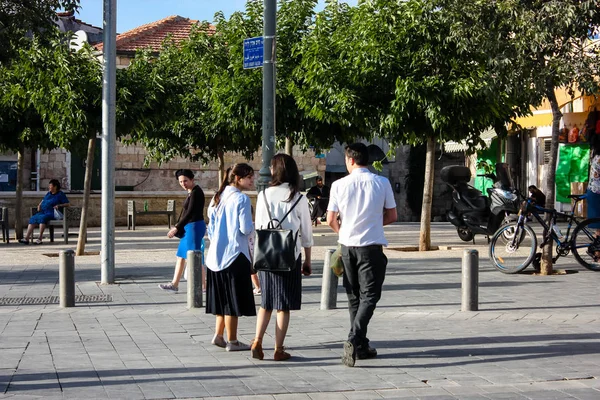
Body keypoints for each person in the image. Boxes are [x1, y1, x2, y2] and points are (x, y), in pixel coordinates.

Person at [326, 143, 397, 367]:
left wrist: (344, 232)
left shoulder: (338, 185)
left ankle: (360, 345)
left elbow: (330, 219)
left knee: (353, 296)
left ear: (350, 160)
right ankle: (354, 339)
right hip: (371, 246)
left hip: (347, 247)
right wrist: (375, 223)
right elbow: (393, 215)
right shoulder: (382, 182)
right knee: (370, 296)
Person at [251, 154, 313, 361]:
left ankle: (257, 341)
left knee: (266, 302)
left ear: (274, 171)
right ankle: (278, 349)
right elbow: (306, 233)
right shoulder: (298, 197)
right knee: (283, 305)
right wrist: (307, 260)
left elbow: (259, 226)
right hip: (289, 255)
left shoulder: (263, 195)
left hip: (267, 253)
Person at [205, 163, 256, 352]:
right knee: (232, 301)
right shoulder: (241, 199)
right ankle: (233, 341)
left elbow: (210, 228)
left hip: (215, 255)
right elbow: (245, 228)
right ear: (238, 178)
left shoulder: (217, 198)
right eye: (249, 177)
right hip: (235, 254)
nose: (252, 181)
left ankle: (219, 335)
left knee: (221, 299)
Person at [159, 169, 206, 293]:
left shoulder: (196, 192)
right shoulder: (191, 192)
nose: (183, 184)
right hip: (188, 227)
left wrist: (177, 227)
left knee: (194, 257)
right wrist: (179, 226)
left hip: (194, 227)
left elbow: (190, 213)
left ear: (192, 179)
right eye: (180, 182)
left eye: (185, 181)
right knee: (181, 256)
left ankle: (203, 286)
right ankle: (174, 284)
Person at [19, 179, 69, 245]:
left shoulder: (60, 194)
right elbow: (43, 200)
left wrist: (59, 205)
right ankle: (26, 238)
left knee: (42, 218)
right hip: (43, 211)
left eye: (50, 186)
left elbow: (67, 204)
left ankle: (40, 238)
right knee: (33, 218)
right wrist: (39, 205)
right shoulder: (48, 193)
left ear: (55, 186)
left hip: (51, 213)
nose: (49, 187)